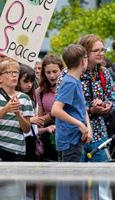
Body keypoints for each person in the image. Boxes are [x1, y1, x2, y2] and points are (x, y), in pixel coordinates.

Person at [58, 34, 113, 162]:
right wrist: (91, 110)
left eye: (103, 50)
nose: (101, 53)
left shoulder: (104, 72)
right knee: (75, 179)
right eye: (96, 50)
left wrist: (106, 106)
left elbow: (111, 98)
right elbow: (61, 107)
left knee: (102, 178)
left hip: (99, 133)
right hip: (76, 135)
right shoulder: (68, 74)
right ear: (85, 53)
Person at [0, 60, 34, 161]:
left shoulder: (25, 98)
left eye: (16, 72)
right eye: (10, 72)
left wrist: (18, 114)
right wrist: (6, 109)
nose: (14, 75)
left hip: (17, 150)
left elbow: (27, 129)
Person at [51, 44, 91, 162]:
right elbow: (56, 110)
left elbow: (81, 108)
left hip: (75, 136)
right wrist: (80, 124)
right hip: (70, 139)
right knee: (71, 179)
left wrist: (87, 127)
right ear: (83, 61)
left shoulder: (75, 80)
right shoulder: (70, 82)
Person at [36, 55, 64, 161]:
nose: (52, 75)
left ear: (62, 70)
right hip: (49, 134)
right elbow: (40, 120)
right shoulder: (39, 91)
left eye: (55, 71)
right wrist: (52, 115)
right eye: (48, 72)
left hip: (67, 131)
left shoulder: (68, 87)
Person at [16, 64, 41, 161]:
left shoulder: (32, 98)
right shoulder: (15, 98)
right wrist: (30, 120)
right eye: (26, 81)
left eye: (31, 81)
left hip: (31, 138)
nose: (29, 85)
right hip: (19, 138)